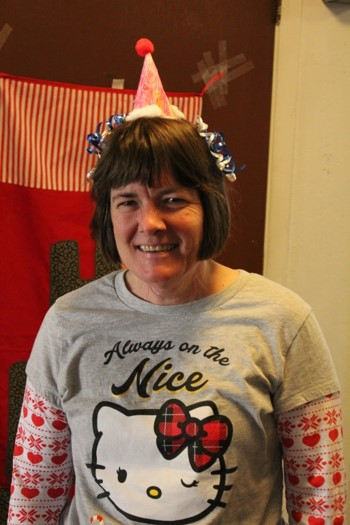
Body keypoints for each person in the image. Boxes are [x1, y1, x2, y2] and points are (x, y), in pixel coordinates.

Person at [7, 40, 346, 525]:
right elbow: (36, 493)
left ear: (209, 206)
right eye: (128, 201)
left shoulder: (283, 323)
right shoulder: (67, 323)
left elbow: (322, 500)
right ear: (108, 214)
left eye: (171, 199)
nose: (150, 223)